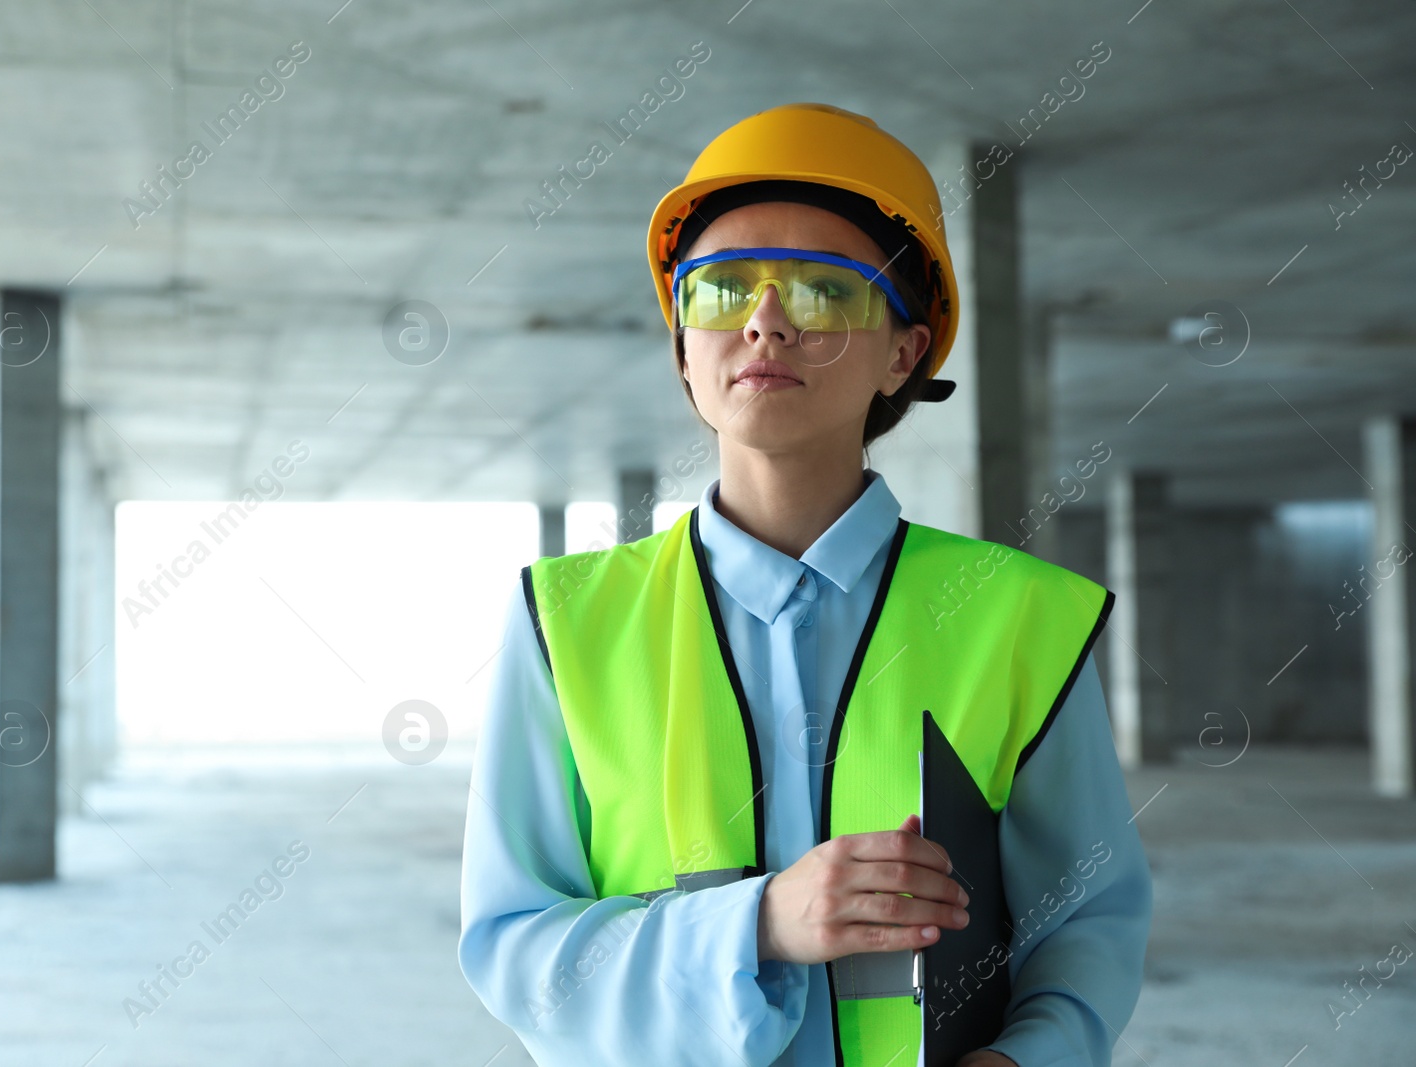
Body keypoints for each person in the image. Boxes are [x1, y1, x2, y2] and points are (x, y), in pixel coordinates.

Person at [458, 102, 1152, 1067]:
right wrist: (760, 924)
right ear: (684, 350)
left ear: (903, 352)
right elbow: (516, 947)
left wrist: (1026, 1057)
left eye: (825, 292)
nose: (766, 322)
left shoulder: (1021, 615)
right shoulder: (566, 621)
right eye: (722, 289)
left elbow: (1088, 916)